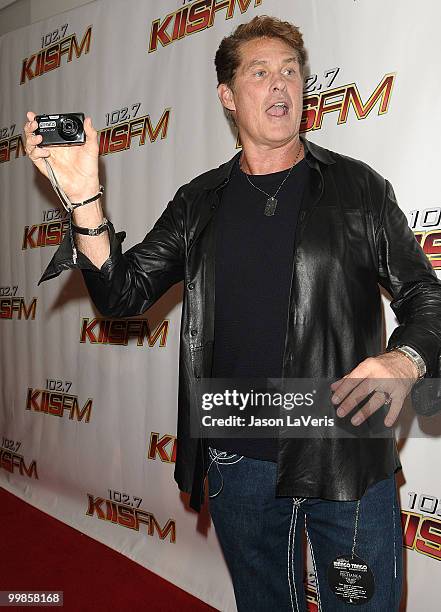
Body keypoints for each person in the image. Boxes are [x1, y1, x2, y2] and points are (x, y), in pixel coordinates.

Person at [24, 15, 441, 612]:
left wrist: (406, 360)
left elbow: (427, 297)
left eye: (291, 73)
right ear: (227, 95)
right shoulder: (199, 202)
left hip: (344, 451)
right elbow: (123, 295)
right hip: (237, 459)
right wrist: (86, 197)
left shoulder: (358, 189)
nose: (280, 86)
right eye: (261, 72)